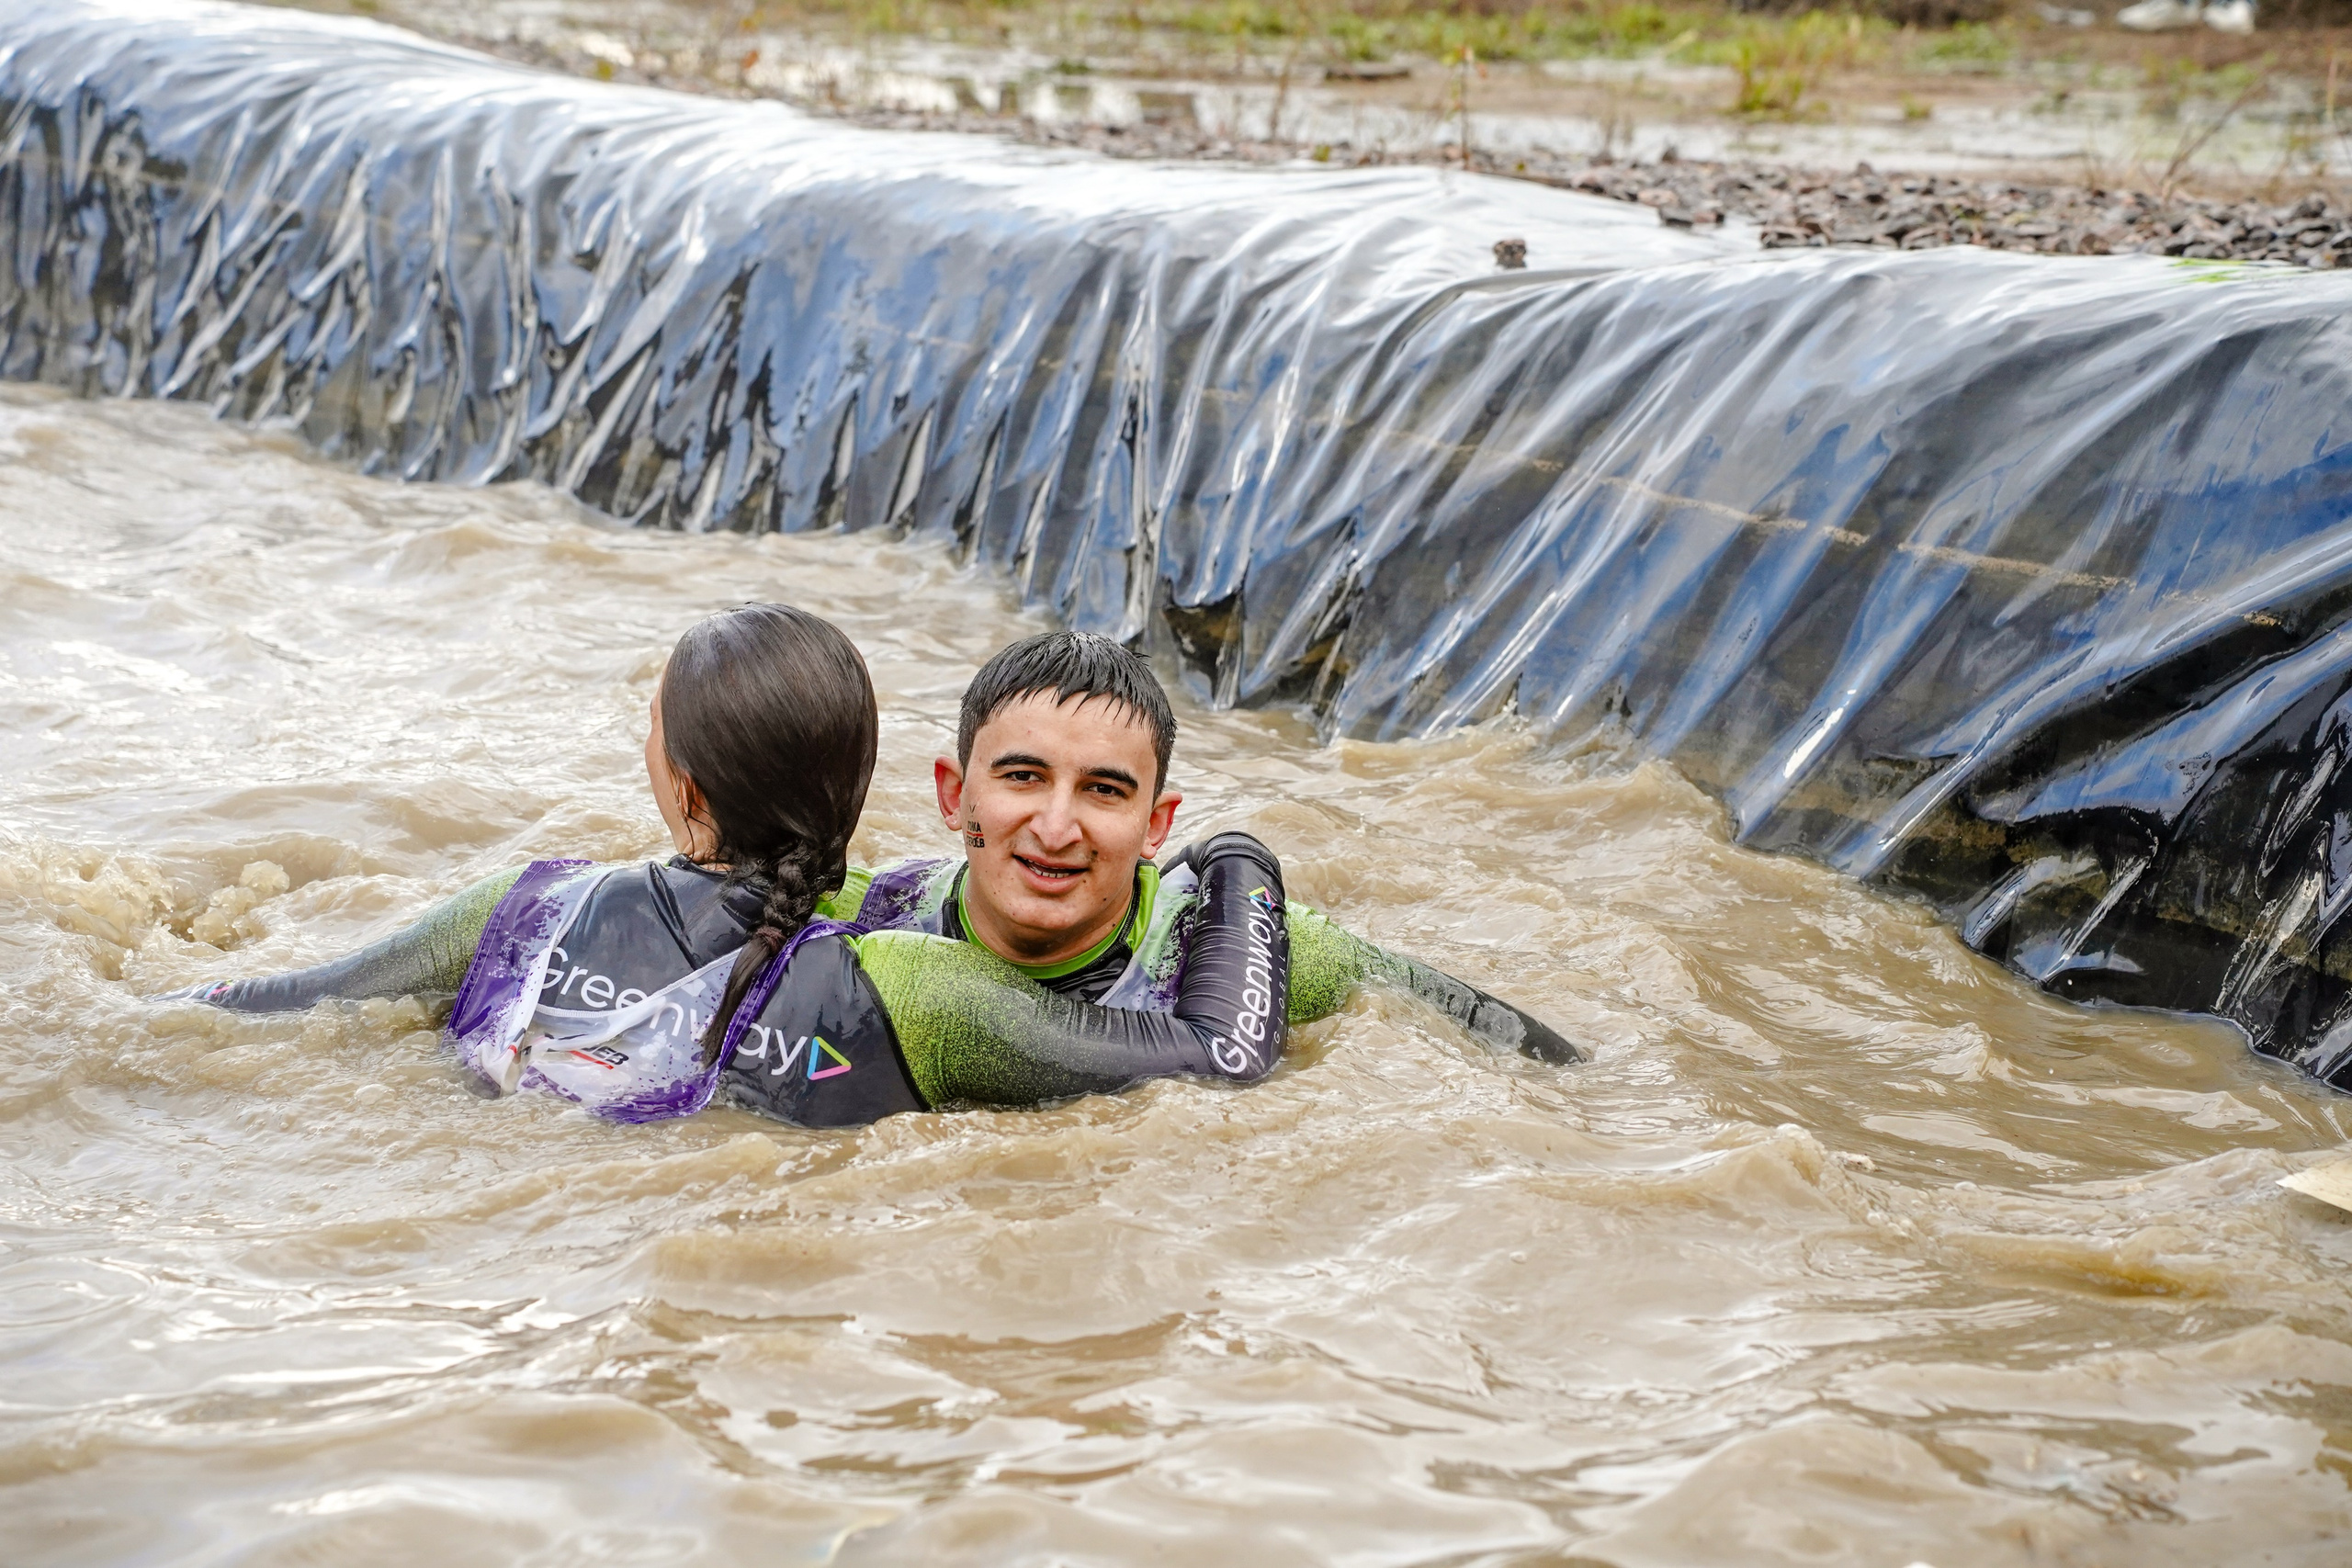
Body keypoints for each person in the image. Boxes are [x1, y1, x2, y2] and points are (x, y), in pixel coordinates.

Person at [161, 605, 1299, 1126]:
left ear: (684, 790)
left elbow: (260, 1008)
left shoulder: (533, 906)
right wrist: (1241, 865)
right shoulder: (915, 981)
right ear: (926, 799)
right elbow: (1212, 1066)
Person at [838, 631, 1577, 1065]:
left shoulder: (1258, 954)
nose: (1057, 827)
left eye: (1104, 791)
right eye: (1024, 777)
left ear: (1157, 825)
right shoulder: (867, 915)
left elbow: (1515, 1048)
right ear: (951, 794)